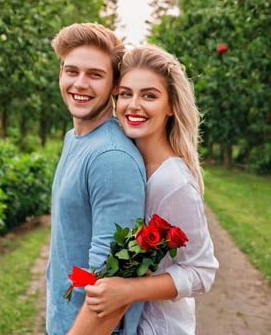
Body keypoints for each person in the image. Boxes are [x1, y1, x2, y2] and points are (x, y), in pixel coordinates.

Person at [68, 44, 219, 335]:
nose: (133, 105)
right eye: (126, 94)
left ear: (171, 105)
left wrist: (129, 290)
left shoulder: (173, 182)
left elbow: (202, 272)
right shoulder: (124, 162)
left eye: (149, 95)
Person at [45, 23, 146, 335]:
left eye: (95, 75)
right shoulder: (73, 139)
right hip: (62, 321)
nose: (80, 83)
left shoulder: (110, 158)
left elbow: (111, 285)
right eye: (71, 71)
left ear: (115, 85)